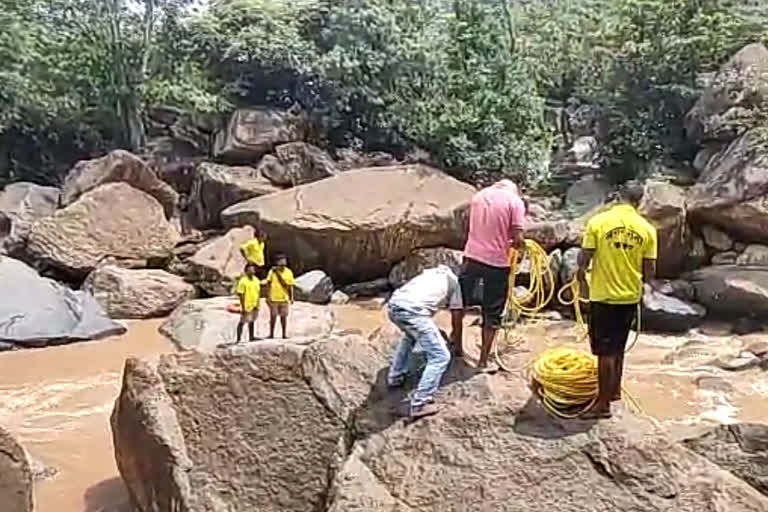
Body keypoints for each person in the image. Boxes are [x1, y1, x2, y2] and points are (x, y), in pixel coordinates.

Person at [577, 182, 657, 419]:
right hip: (629, 296)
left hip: (603, 295)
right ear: (639, 201)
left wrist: (581, 273)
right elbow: (650, 270)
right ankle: (614, 392)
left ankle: (602, 406)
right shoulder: (647, 229)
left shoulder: (598, 222)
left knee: (604, 352)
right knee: (618, 347)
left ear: (618, 197)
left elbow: (584, 258)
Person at [453, 179, 526, 371]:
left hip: (471, 257)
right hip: (497, 263)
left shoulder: (479, 196)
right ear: (515, 190)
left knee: (459, 301)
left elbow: (466, 225)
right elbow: (517, 238)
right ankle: (483, 361)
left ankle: (457, 348)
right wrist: (521, 246)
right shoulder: (515, 202)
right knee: (492, 312)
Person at [387, 265, 464, 419]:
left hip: (393, 305)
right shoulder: (455, 283)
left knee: (410, 336)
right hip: (413, 312)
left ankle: (395, 376)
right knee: (441, 356)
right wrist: (458, 347)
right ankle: (420, 403)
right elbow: (457, 316)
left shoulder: (430, 273)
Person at [265, 253, 295, 339]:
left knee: (284, 317)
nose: (283, 262)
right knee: (273, 316)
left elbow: (290, 286)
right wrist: (267, 296)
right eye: (281, 260)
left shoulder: (289, 272)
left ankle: (284, 334)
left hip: (284, 298)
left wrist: (292, 297)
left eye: (284, 260)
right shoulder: (272, 272)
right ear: (277, 262)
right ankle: (271, 334)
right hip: (274, 297)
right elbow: (268, 284)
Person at [236, 263, 261, 343]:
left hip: (254, 304)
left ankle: (251, 336)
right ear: (246, 271)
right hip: (246, 304)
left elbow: (258, 292)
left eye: (253, 270)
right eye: (250, 270)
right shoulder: (243, 281)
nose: (252, 271)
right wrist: (243, 307)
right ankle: (238, 339)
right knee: (242, 322)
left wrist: (257, 303)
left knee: (252, 321)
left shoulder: (256, 280)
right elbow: (241, 294)